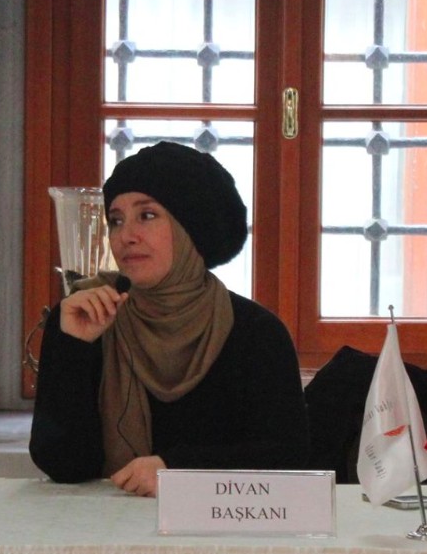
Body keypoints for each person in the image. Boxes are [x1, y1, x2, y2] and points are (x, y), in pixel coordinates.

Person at [29, 141, 310, 495]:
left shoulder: (256, 334)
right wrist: (74, 349)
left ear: (189, 228)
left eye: (147, 216)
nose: (126, 236)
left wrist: (177, 471)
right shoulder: (88, 313)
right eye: (116, 220)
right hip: (107, 523)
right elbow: (63, 464)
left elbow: (288, 458)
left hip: (219, 525)